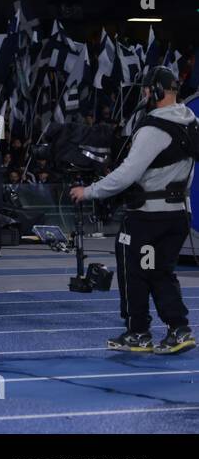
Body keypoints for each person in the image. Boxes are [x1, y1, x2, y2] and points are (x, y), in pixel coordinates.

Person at [72, 67, 196, 354]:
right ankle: (179, 329)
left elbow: (127, 174)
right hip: (177, 214)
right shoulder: (192, 122)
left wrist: (89, 191)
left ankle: (137, 332)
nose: (143, 94)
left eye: (146, 89)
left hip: (147, 217)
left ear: (156, 91)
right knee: (160, 271)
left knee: (135, 272)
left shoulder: (153, 129)